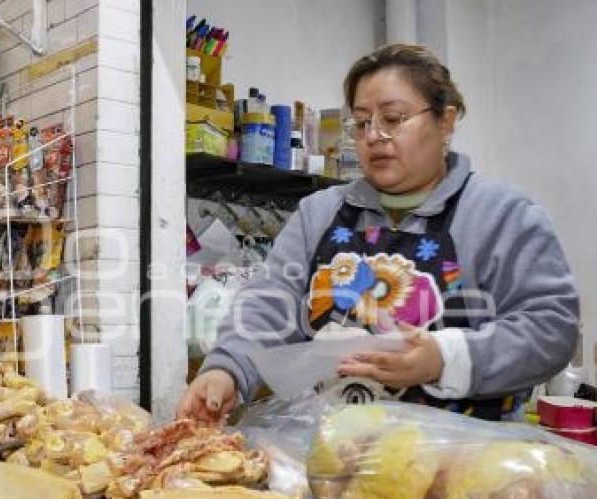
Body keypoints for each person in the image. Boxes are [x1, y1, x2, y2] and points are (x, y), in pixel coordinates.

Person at [177, 44, 579, 423]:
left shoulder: (502, 215)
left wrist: (445, 357)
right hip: (335, 457)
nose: (373, 136)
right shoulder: (320, 213)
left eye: (393, 119)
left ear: (446, 121)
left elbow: (550, 329)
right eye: (362, 122)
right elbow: (268, 306)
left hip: (461, 464)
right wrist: (227, 369)